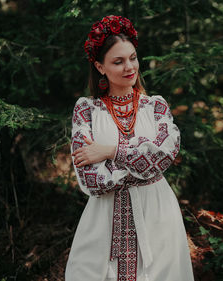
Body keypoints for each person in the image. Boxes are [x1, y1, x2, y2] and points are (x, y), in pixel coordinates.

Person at [65, 15, 195, 281]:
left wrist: (110, 151)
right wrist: (140, 159)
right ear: (100, 67)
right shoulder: (86, 110)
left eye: (133, 58)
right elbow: (90, 179)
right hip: (103, 219)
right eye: (118, 61)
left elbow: (164, 156)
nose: (129, 67)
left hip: (158, 215)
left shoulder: (156, 107)